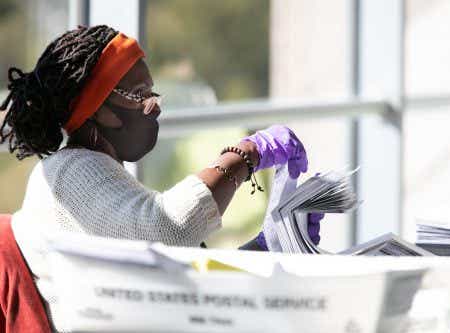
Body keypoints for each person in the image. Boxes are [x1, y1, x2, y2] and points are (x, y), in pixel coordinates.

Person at [0, 25, 323, 331]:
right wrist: (247, 153)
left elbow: (169, 278)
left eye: (153, 93)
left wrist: (262, 250)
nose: (153, 107)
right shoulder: (68, 172)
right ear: (98, 107)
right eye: (140, 94)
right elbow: (168, 227)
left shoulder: (100, 170)